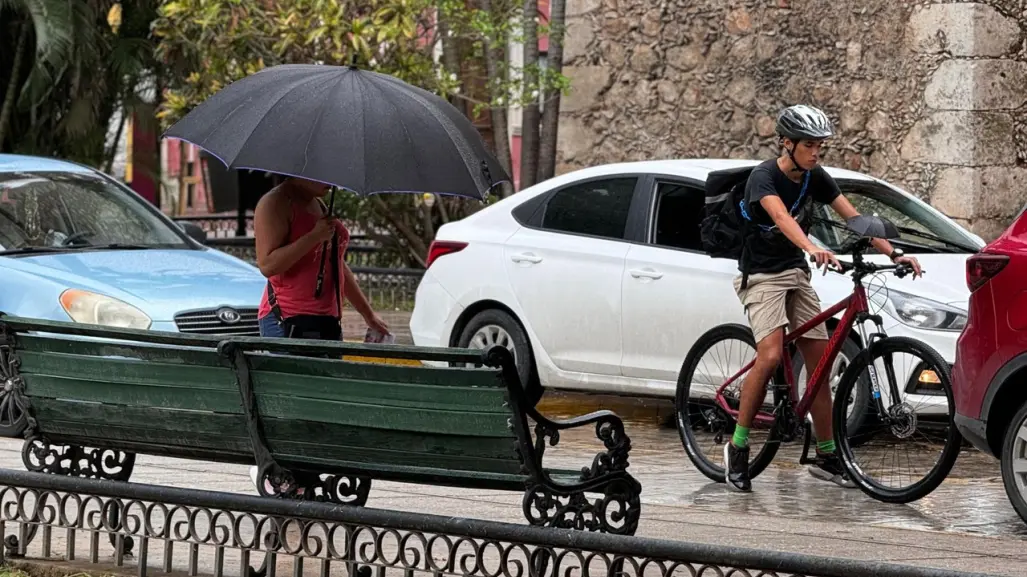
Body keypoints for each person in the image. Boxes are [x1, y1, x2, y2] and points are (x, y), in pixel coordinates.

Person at [724, 104, 922, 493]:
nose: (816, 153)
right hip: (762, 276)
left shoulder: (814, 176)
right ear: (787, 143)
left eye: (820, 147)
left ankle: (827, 455)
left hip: (795, 273)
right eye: (810, 145)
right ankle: (739, 446)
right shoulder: (762, 177)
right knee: (769, 355)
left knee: (819, 366)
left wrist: (894, 254)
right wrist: (812, 247)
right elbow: (781, 218)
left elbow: (854, 219)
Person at [249, 175, 391, 495]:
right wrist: (312, 237)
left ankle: (304, 475)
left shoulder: (320, 201)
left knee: (321, 401)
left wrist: (368, 314)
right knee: (295, 401)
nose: (330, 180)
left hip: (325, 320)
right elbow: (268, 264)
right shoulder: (275, 203)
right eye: (321, 175)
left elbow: (336, 262)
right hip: (285, 319)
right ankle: (282, 474)